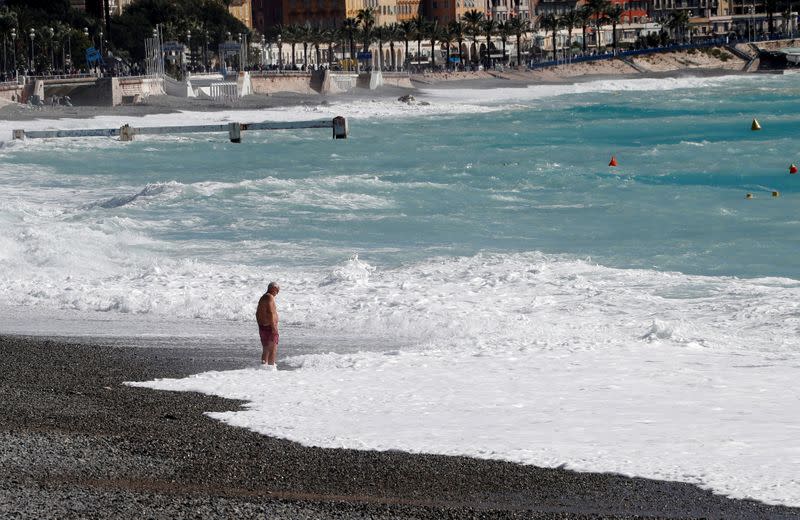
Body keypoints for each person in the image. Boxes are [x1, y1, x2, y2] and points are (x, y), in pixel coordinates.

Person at [255, 282, 280, 369]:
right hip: (269, 327)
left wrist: (260, 325)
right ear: (274, 289)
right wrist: (273, 327)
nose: (278, 292)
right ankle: (271, 369)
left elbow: (257, 313)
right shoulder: (269, 297)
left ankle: (263, 368)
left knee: (266, 349)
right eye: (277, 290)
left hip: (263, 326)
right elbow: (270, 312)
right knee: (273, 349)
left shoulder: (263, 297)